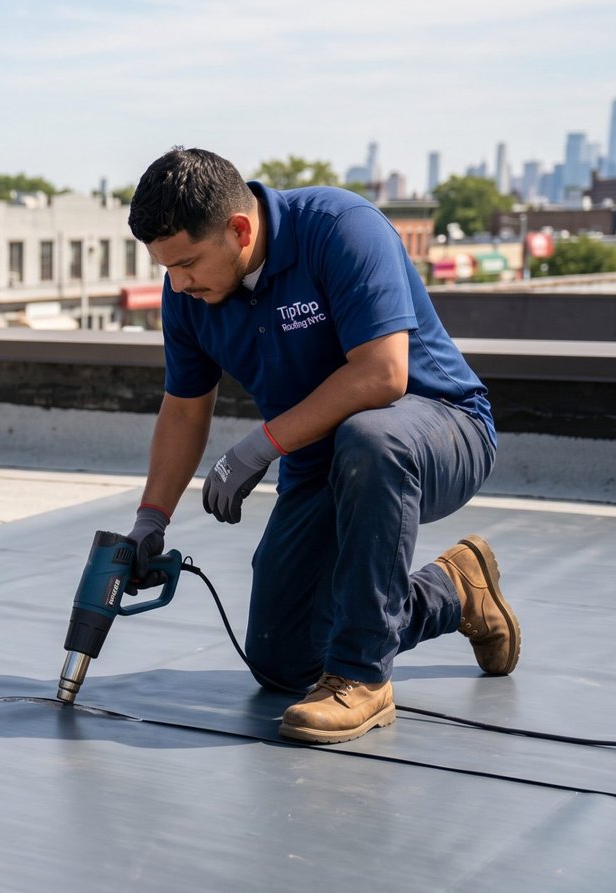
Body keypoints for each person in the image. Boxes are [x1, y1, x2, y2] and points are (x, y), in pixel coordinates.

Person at [121, 147, 519, 744]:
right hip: (322, 464)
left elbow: (385, 375)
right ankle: (455, 589)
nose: (177, 283)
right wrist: (150, 519)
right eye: (167, 268)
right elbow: (183, 409)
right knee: (282, 660)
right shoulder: (187, 294)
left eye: (188, 263)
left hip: (438, 429)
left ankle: (363, 678)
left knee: (370, 437)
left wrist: (261, 445)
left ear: (239, 229)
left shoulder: (340, 229)